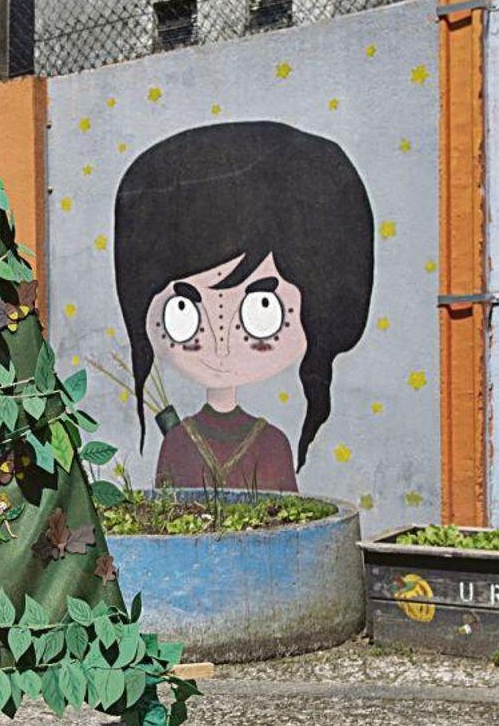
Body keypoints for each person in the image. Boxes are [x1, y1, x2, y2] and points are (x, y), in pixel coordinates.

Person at [111, 120, 376, 491]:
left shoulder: (272, 445)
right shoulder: (177, 443)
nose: (220, 343)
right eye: (183, 312)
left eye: (261, 310)